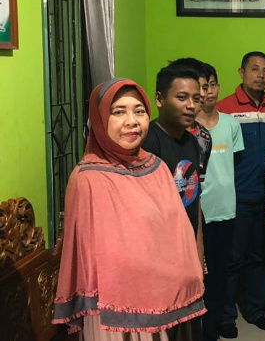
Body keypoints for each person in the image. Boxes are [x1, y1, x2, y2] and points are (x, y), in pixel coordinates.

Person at [53, 79, 204, 339]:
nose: (132, 121)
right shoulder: (88, 179)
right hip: (114, 313)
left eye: (139, 111)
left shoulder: (156, 167)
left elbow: (178, 232)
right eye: (118, 112)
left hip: (169, 300)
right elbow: (89, 260)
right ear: (99, 120)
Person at [216, 52, 265, 337]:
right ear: (241, 72)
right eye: (254, 69)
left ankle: (256, 312)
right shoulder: (224, 108)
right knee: (232, 259)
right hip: (236, 196)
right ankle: (226, 316)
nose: (260, 75)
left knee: (260, 257)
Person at [195, 63, 245, 341]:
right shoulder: (187, 127)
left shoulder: (231, 124)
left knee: (221, 271)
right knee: (196, 274)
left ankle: (215, 326)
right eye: (203, 86)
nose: (209, 91)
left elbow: (233, 164)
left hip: (225, 210)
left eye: (212, 84)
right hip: (195, 212)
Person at [142, 63, 205, 269]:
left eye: (196, 99)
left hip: (186, 253)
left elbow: (194, 202)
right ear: (159, 99)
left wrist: (198, 256)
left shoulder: (192, 142)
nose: (191, 106)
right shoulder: (148, 142)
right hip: (159, 257)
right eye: (182, 97)